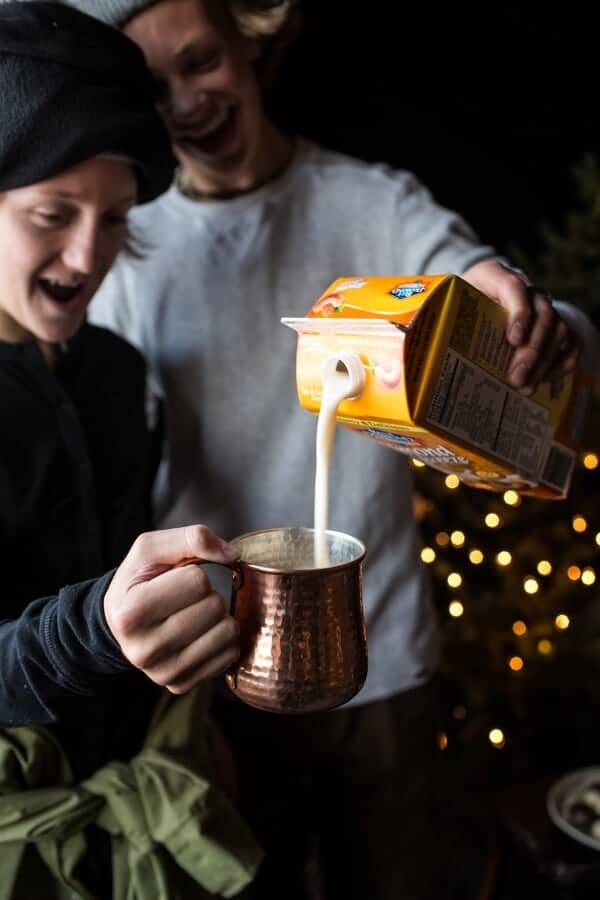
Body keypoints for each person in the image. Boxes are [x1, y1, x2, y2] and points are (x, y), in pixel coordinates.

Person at [77, 0, 600, 896]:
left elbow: (484, 286)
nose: (186, 101)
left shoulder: (369, 204)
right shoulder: (129, 243)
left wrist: (520, 315)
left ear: (253, 42)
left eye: (201, 61)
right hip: (222, 664)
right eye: (153, 86)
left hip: (381, 655)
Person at [0, 3, 263, 898]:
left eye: (115, 219)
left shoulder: (114, 373)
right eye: (52, 213)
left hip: (145, 804)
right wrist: (89, 633)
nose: (89, 254)